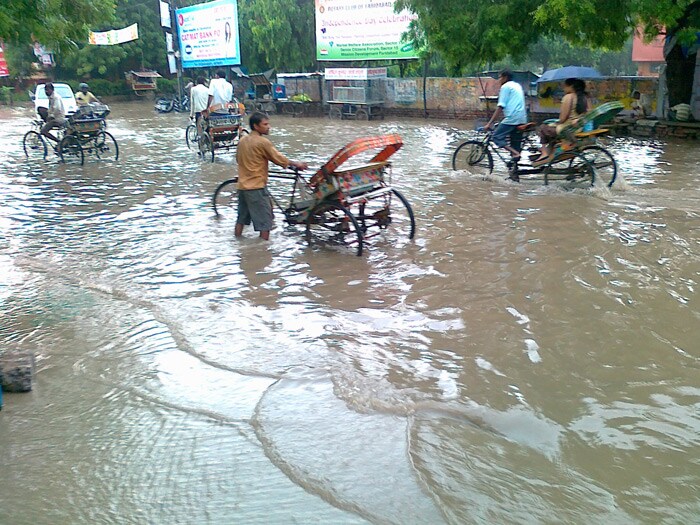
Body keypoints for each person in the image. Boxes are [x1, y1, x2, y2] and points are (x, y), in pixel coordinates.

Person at [235, 112, 308, 240]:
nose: (268, 127)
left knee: (241, 219)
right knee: (265, 224)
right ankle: (263, 252)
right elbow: (278, 158)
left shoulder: (242, 141)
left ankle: (238, 243)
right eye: (265, 124)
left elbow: (238, 159)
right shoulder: (263, 142)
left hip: (242, 186)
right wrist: (297, 163)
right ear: (256, 126)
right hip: (256, 188)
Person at [535, 78, 590, 163]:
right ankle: (551, 149)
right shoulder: (585, 97)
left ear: (571, 86)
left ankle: (544, 152)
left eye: (565, 87)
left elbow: (563, 118)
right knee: (550, 130)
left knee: (542, 128)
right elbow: (587, 113)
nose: (563, 89)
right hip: (578, 128)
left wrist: (556, 122)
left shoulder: (568, 97)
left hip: (567, 129)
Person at [484, 70, 528, 163]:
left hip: (512, 118)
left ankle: (515, 153)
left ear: (505, 77)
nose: (499, 80)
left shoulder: (505, 87)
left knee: (496, 136)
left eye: (500, 77)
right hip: (522, 118)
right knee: (515, 145)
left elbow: (500, 106)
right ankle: (514, 172)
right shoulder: (517, 85)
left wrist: (489, 123)